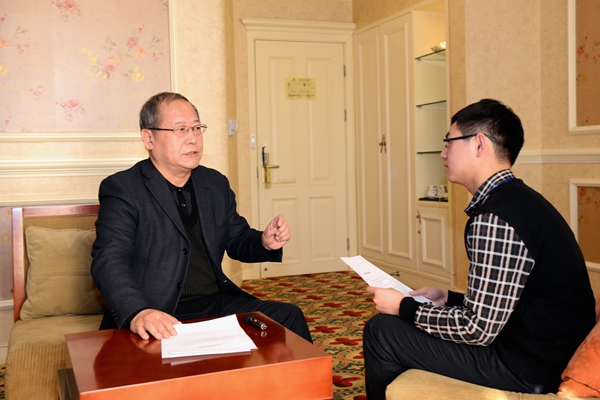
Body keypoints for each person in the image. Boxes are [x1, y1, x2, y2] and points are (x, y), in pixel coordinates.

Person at [362, 98, 596, 399]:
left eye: (448, 142)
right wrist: (448, 299)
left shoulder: (496, 217)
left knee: (382, 331)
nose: (443, 153)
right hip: (542, 353)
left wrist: (403, 307)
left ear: (479, 144)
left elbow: (477, 329)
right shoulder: (519, 201)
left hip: (529, 368)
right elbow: (509, 302)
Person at [91, 92, 312, 343]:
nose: (192, 138)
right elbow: (110, 259)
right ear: (149, 138)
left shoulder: (213, 183)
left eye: (196, 128)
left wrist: (264, 242)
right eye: (180, 129)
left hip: (213, 305)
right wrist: (138, 311)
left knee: (289, 317)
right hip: (158, 312)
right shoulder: (124, 189)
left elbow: (236, 238)